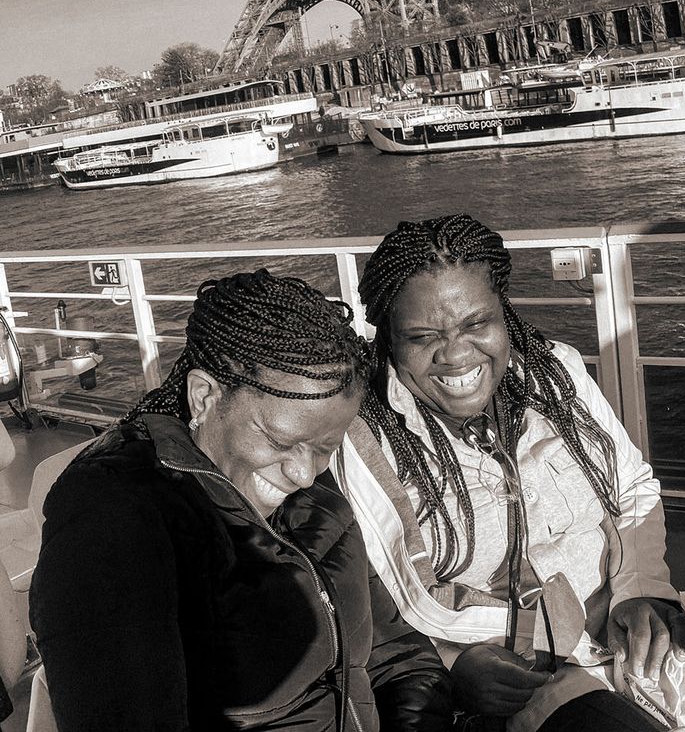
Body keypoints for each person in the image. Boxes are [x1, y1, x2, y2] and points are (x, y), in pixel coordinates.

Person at [30, 269, 452, 732]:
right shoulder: (113, 522)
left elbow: (398, 657)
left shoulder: (315, 493)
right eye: (279, 442)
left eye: (324, 448)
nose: (303, 473)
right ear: (204, 396)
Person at [331, 214, 685, 732]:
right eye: (421, 336)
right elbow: (402, 597)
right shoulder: (367, 440)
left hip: (622, 634)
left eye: (476, 324)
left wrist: (641, 588)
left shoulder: (557, 375)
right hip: (527, 678)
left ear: (504, 314)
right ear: (389, 342)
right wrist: (457, 663)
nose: (456, 354)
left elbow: (632, 486)